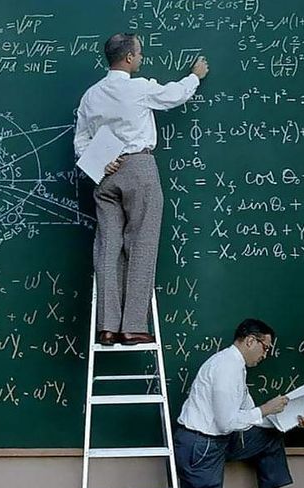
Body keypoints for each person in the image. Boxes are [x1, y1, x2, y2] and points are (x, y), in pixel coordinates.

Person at [74, 33, 208, 345]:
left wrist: (97, 159)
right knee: (142, 244)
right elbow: (173, 95)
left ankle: (106, 326)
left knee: (108, 247)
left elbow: (80, 139)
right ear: (130, 58)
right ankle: (132, 325)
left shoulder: (90, 95)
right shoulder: (138, 88)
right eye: (140, 53)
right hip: (138, 167)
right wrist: (194, 76)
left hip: (104, 171)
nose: (142, 58)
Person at [174, 318, 304, 488]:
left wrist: (291, 420)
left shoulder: (238, 367)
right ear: (250, 341)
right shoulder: (227, 367)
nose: (266, 355)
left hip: (219, 440)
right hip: (201, 446)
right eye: (265, 348)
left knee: (270, 437)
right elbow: (226, 423)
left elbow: (252, 416)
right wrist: (265, 408)